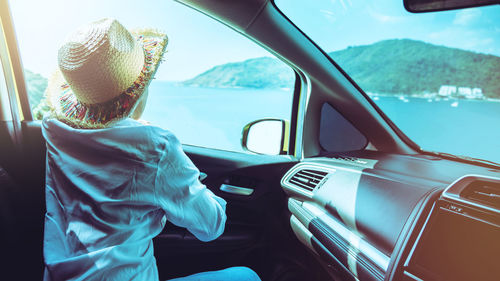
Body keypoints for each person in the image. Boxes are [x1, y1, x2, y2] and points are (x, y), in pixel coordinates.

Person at [41, 18, 261, 281]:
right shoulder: (154, 146)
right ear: (139, 90)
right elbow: (211, 226)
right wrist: (185, 180)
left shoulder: (54, 131)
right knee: (247, 276)